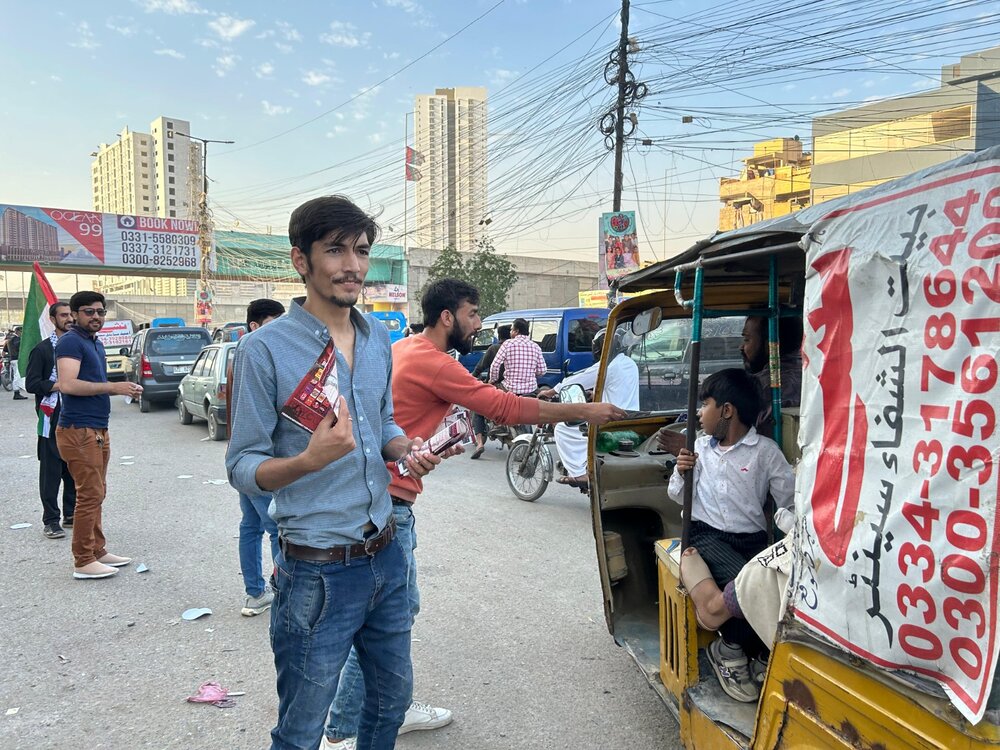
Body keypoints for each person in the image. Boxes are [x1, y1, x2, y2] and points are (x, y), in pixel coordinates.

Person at [322, 278, 626, 750]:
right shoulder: (433, 360)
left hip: (377, 496)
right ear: (448, 317)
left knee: (391, 614)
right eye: (472, 314)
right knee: (388, 618)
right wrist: (587, 411)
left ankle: (388, 707)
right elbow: (500, 406)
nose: (478, 324)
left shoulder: (405, 347)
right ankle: (344, 730)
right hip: (389, 503)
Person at [226, 195, 443, 750]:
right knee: (301, 730)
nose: (352, 265)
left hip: (387, 554)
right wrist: (307, 461)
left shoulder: (378, 340)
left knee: (390, 703)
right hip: (316, 574)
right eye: (335, 250)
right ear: (302, 260)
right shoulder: (263, 350)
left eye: (362, 251)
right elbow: (242, 466)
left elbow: (384, 423)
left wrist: (406, 449)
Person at [666, 368, 794, 704]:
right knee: (750, 585)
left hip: (750, 540)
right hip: (706, 536)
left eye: (705, 404)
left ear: (727, 410)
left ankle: (735, 646)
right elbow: (677, 496)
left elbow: (789, 499)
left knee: (773, 592)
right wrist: (681, 472)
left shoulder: (764, 452)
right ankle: (746, 651)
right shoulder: (698, 449)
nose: (699, 413)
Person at [55, 292, 143, 580]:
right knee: (89, 494)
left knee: (97, 492)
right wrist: (113, 388)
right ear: (76, 314)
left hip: (96, 428)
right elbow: (67, 384)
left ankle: (97, 550)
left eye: (100, 312)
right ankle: (82, 560)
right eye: (89, 312)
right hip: (78, 429)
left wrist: (120, 387)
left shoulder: (93, 342)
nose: (96, 317)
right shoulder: (71, 341)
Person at [234, 298, 286, 617]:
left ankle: (255, 592)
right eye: (274, 325)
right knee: (275, 528)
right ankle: (283, 593)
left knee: (251, 526)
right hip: (261, 461)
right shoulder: (257, 355)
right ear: (255, 326)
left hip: (243, 458)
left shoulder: (242, 355)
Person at [539, 326, 639, 487]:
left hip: (611, 421)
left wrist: (551, 392)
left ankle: (580, 473)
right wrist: (594, 395)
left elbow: (580, 379)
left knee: (562, 429)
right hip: (629, 416)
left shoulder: (609, 366)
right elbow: (617, 388)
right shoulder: (629, 363)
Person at [24, 301, 77, 539]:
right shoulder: (43, 350)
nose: (69, 319)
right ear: (53, 320)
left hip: (75, 416)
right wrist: (59, 385)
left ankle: (70, 513)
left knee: (74, 469)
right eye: (63, 315)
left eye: (71, 315)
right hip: (50, 417)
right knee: (51, 471)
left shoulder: (77, 347)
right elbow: (32, 383)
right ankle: (51, 520)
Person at [740, 315, 803, 439]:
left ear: (771, 344)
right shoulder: (816, 378)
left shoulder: (757, 388)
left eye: (747, 339)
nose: (741, 347)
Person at [469, 324, 510, 459]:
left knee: (477, 408)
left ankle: (480, 443)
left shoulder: (494, 349)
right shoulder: (518, 348)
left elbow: (481, 366)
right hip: (520, 388)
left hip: (498, 386)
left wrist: (472, 377)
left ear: (498, 336)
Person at [488, 317, 546, 395]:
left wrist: (493, 380)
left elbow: (494, 366)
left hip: (509, 389)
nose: (510, 332)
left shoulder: (507, 344)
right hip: (531, 390)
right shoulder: (536, 346)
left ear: (516, 331)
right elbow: (542, 371)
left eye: (511, 330)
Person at [8, 325, 28, 399]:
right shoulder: (16, 339)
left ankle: (17, 392)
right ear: (18, 331)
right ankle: (16, 392)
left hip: (13, 358)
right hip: (16, 358)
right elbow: (17, 345)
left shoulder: (10, 339)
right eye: (21, 331)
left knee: (17, 375)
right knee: (17, 375)